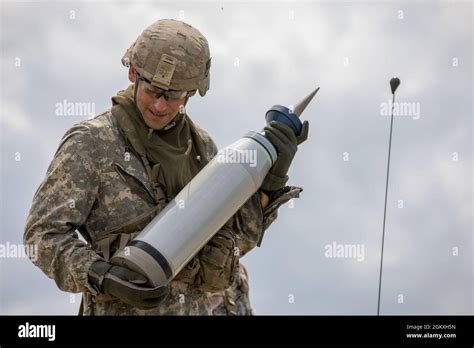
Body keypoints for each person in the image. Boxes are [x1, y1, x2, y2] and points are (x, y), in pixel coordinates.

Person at [24, 19, 308, 315]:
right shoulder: (92, 143)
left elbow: (234, 242)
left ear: (191, 93)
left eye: (173, 95)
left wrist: (270, 180)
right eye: (153, 90)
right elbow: (42, 234)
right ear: (133, 73)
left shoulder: (201, 149)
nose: (160, 105)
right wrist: (100, 275)